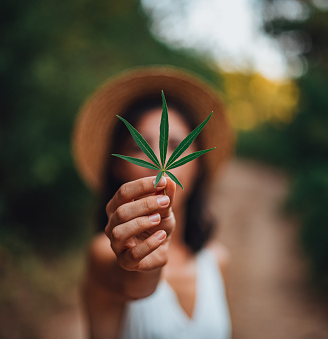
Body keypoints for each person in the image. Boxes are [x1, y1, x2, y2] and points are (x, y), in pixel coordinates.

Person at [72, 66, 234, 339]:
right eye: (139, 147)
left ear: (197, 166)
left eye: (174, 144)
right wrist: (140, 261)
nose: (158, 161)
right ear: (119, 167)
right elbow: (135, 282)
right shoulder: (104, 254)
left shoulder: (217, 260)